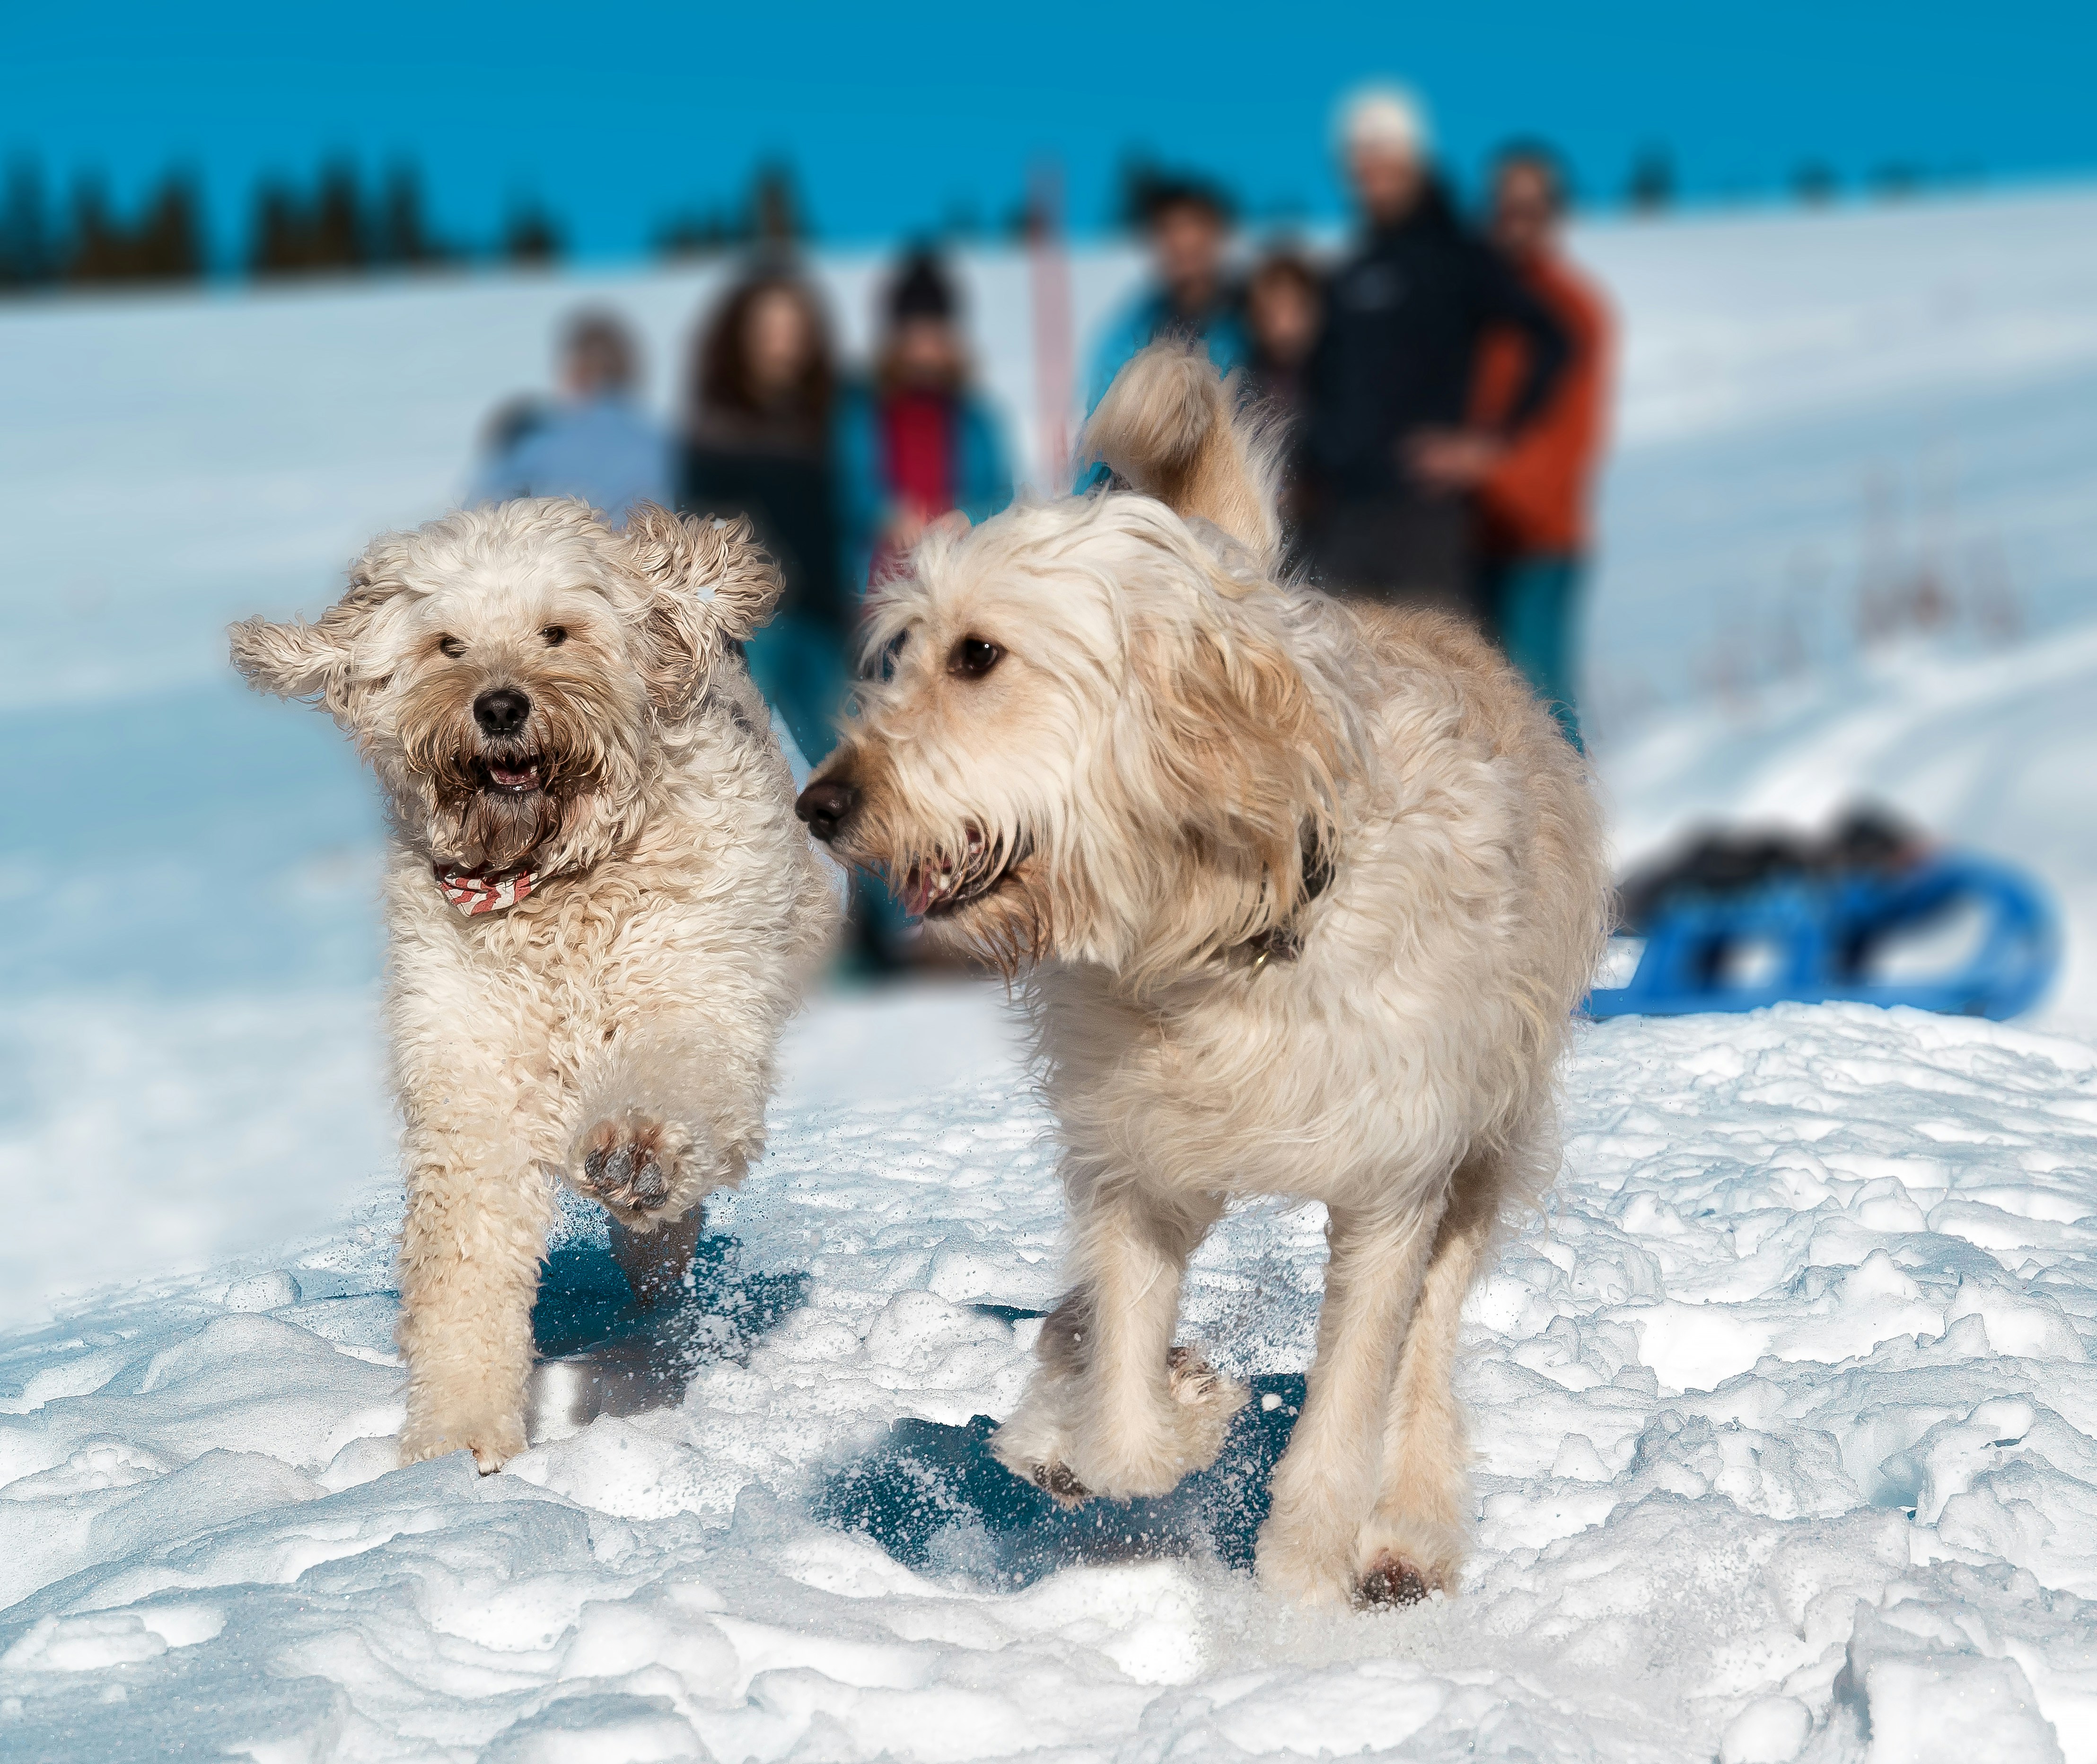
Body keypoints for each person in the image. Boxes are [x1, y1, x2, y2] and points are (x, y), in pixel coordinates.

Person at [1300, 86, 1568, 621]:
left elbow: (1550, 338)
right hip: (1342, 521)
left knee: (1431, 669)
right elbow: (1321, 383)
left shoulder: (1458, 256)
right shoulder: (1348, 274)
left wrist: (1490, 444)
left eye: (1383, 152)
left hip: (1425, 521)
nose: (1369, 169)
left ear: (1414, 158)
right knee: (1334, 669)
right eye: (1357, 156)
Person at [1447, 145, 1614, 748]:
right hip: (1464, 543)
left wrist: (1480, 469)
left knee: (1539, 710)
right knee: (1471, 714)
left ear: (1552, 214)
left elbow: (1568, 441)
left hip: (1538, 541)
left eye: (1530, 206)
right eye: (1503, 206)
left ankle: (1568, 814)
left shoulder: (1572, 309)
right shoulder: (1473, 306)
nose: (1515, 219)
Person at [680, 266, 847, 766]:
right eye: (769, 329)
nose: (782, 343)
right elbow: (702, 525)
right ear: (742, 336)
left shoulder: (831, 418)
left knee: (842, 750)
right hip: (755, 621)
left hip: (823, 613)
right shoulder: (717, 425)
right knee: (741, 747)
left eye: (792, 329)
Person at [835, 249, 1014, 597]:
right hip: (874, 593)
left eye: (934, 336)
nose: (924, 350)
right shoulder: (861, 412)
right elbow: (845, 486)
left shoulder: (976, 422)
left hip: (957, 589)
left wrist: (969, 517)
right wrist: (884, 513)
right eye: (914, 337)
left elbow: (1003, 497)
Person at [471, 309, 670, 524]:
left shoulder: (538, 446)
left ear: (576, 374)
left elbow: (477, 513)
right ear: (628, 373)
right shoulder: (664, 449)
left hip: (560, 543)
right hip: (646, 544)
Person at [1086, 176, 1249, 414]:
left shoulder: (1254, 319)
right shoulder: (1134, 331)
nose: (1180, 242)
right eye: (1167, 230)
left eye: (1191, 227)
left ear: (1215, 235)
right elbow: (1102, 415)